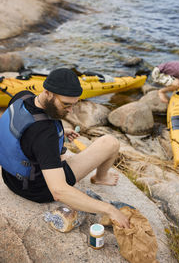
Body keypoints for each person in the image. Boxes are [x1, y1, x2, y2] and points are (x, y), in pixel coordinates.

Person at [0, 68, 129, 228]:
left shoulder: (23, 96)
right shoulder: (45, 134)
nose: (70, 110)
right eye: (66, 104)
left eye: (74, 104)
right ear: (47, 93)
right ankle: (101, 178)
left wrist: (60, 132)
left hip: (10, 178)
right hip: (36, 189)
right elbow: (59, 191)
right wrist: (109, 210)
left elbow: (23, 131)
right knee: (110, 142)